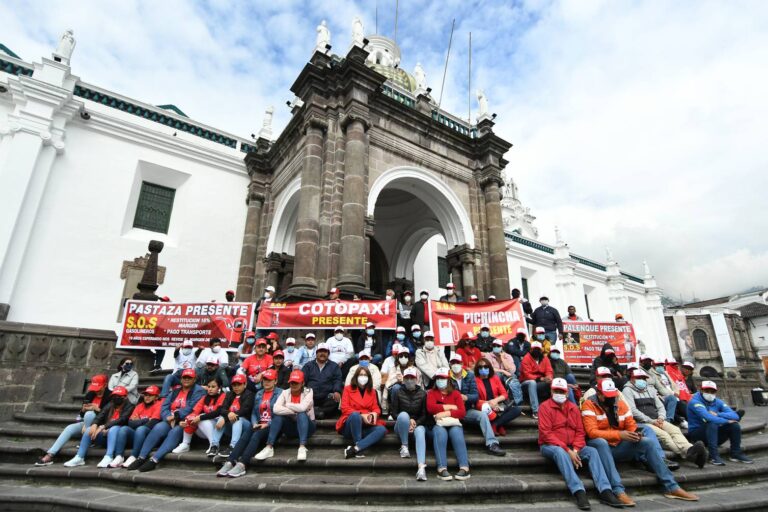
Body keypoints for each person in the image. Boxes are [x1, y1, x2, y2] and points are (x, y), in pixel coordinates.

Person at [582, 379, 698, 501]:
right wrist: (619, 435)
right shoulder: (589, 404)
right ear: (599, 394)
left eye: (613, 395)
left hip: (618, 445)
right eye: (608, 396)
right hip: (599, 446)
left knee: (647, 442)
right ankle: (618, 490)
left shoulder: (620, 403)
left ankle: (672, 487)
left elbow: (631, 424)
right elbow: (592, 432)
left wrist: (635, 434)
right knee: (601, 442)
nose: (611, 398)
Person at [539, 378, 626, 510]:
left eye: (561, 391)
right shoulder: (544, 407)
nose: (559, 393)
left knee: (592, 451)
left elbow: (580, 432)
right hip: (550, 445)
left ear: (567, 393)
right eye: (556, 390)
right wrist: (568, 451)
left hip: (573, 446)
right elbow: (546, 434)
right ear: (551, 391)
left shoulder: (573, 408)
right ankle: (578, 490)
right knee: (560, 452)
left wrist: (575, 449)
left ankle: (605, 490)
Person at [622, 369, 707, 468]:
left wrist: (661, 417)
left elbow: (660, 406)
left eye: (643, 378)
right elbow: (633, 410)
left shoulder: (650, 389)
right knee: (664, 435)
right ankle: (690, 454)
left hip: (657, 420)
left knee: (675, 430)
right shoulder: (627, 390)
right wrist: (651, 421)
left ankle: (690, 449)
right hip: (643, 422)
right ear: (632, 379)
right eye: (639, 378)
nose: (642, 380)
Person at [127, 368, 205, 472]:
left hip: (186, 421)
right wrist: (167, 416)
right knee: (158, 427)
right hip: (171, 419)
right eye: (184, 377)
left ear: (194, 379)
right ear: (181, 379)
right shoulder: (175, 390)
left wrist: (175, 416)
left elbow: (191, 407)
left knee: (175, 431)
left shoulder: (199, 390)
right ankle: (141, 457)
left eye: (189, 378)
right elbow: (164, 406)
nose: (186, 379)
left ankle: (154, 460)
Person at [215, 370, 283, 477]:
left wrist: (267, 423)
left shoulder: (281, 393)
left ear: (275, 381)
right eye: (265, 379)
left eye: (270, 380)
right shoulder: (259, 393)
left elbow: (280, 414)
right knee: (247, 434)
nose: (267, 382)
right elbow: (254, 413)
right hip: (259, 423)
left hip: (273, 425)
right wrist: (255, 423)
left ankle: (242, 464)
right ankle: (230, 461)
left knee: (256, 435)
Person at [35, 374, 110, 466]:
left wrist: (97, 409)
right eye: (94, 388)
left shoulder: (110, 396)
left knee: (90, 414)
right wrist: (83, 410)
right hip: (86, 423)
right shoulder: (90, 394)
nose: (96, 391)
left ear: (105, 385)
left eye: (99, 388)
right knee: (69, 428)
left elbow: (108, 416)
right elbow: (82, 414)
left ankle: (88, 441)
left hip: (100, 426)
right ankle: (49, 455)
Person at [247, 369, 316, 466]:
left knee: (301, 414)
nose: (293, 385)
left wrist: (287, 405)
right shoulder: (285, 392)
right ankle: (269, 447)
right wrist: (294, 410)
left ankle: (302, 446)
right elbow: (275, 409)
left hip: (308, 426)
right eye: (292, 382)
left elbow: (303, 408)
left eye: (296, 382)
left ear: (303, 383)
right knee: (278, 416)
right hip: (291, 426)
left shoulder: (308, 391)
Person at [448, 353, 505, 456]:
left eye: (458, 362)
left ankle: (492, 444)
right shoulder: (446, 377)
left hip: (467, 410)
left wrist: (466, 397)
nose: (455, 364)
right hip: (452, 411)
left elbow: (475, 396)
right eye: (453, 363)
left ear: (462, 363)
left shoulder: (469, 375)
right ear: (450, 364)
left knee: (482, 415)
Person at [63, 386, 134, 467]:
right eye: (114, 396)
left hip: (119, 437)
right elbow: (101, 414)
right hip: (106, 436)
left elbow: (122, 420)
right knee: (89, 429)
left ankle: (109, 456)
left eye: (118, 396)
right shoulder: (110, 404)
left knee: (114, 428)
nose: (115, 398)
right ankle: (79, 457)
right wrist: (94, 424)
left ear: (125, 397)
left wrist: (103, 426)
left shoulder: (130, 406)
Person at [687, 380, 753, 466]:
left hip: (714, 434)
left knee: (734, 425)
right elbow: (707, 417)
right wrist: (725, 420)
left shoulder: (718, 401)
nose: (710, 393)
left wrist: (718, 414)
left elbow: (735, 416)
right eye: (707, 391)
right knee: (712, 423)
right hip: (697, 435)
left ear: (716, 392)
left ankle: (736, 453)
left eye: (712, 391)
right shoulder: (695, 402)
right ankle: (713, 456)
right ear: (701, 390)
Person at [426, 367, 470, 480]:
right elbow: (430, 408)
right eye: (438, 378)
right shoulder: (431, 393)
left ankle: (464, 467)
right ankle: (442, 468)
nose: (440, 380)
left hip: (453, 422)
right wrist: (451, 407)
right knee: (440, 433)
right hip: (437, 424)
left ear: (448, 379)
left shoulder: (455, 393)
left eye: (443, 378)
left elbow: (462, 412)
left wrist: (444, 413)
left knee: (457, 433)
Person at [336, 366, 387, 459]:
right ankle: (359, 447)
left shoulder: (372, 391)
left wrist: (375, 413)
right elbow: (344, 408)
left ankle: (356, 449)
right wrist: (361, 415)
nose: (363, 377)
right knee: (355, 415)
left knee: (381, 430)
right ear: (356, 376)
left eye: (365, 375)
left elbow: (376, 407)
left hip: (366, 424)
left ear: (369, 377)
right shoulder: (347, 389)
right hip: (350, 425)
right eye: (361, 375)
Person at [173, 377, 227, 455]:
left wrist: (200, 417)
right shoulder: (204, 397)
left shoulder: (223, 396)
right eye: (208, 387)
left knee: (201, 419)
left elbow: (218, 412)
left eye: (213, 387)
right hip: (205, 429)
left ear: (219, 387)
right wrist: (186, 420)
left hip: (220, 427)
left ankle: (214, 445)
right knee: (191, 418)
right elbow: (195, 411)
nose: (210, 389)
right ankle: (185, 444)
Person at [391, 367, 429, 480]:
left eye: (411, 377)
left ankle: (421, 467)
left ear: (416, 379)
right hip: (401, 426)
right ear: (403, 379)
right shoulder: (398, 392)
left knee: (421, 431)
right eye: (406, 378)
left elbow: (424, 415)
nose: (409, 380)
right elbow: (394, 413)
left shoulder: (422, 394)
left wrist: (415, 423)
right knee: (403, 415)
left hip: (416, 425)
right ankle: (404, 446)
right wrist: (408, 421)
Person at [113, 385, 163, 468]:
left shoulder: (159, 405)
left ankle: (134, 456)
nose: (147, 397)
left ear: (156, 397)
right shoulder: (140, 406)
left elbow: (152, 423)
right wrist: (146, 419)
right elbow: (130, 423)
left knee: (141, 429)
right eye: (146, 395)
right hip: (138, 435)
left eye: (150, 395)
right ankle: (119, 456)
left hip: (150, 437)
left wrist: (138, 421)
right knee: (124, 429)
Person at [474, 358, 522, 436]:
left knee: (518, 409)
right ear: (477, 369)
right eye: (480, 367)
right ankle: (499, 425)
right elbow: (475, 399)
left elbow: (504, 394)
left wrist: (495, 401)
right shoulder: (475, 380)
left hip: (498, 405)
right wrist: (489, 403)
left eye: (486, 367)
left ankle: (495, 424)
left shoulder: (495, 378)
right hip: (484, 406)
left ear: (489, 368)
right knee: (485, 407)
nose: (483, 369)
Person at [302, 342, 343, 419]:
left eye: (325, 351)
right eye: (320, 351)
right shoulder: (308, 366)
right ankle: (320, 413)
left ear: (328, 353)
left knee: (335, 400)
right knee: (302, 399)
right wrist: (304, 392)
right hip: (311, 396)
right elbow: (302, 380)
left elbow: (337, 380)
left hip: (326, 397)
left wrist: (337, 391)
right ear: (316, 353)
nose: (322, 354)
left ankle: (316, 412)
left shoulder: (334, 366)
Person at [640, 355, 680, 425]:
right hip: (646, 397)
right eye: (646, 361)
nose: (648, 363)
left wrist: (672, 394)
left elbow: (660, 387)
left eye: (649, 361)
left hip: (657, 396)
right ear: (641, 362)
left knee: (672, 398)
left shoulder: (652, 374)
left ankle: (668, 420)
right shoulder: (638, 372)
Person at [520, 341, 553, 420]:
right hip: (525, 383)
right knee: (532, 382)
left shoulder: (545, 358)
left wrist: (549, 377)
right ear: (531, 350)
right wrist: (540, 378)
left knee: (554, 382)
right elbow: (527, 375)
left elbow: (549, 370)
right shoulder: (526, 358)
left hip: (540, 383)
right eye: (534, 349)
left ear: (541, 350)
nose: (536, 351)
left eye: (538, 349)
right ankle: (535, 411)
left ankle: (556, 408)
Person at [385, 346, 421, 414]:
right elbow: (388, 385)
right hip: (397, 392)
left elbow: (418, 385)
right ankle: (394, 411)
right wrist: (396, 380)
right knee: (396, 387)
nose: (403, 358)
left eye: (406, 356)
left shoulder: (415, 370)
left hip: (411, 392)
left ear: (409, 358)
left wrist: (404, 381)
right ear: (398, 358)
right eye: (401, 356)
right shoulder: (393, 369)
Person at [488, 338, 523, 405]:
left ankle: (517, 402)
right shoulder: (488, 355)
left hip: (507, 377)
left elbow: (512, 370)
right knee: (497, 375)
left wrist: (502, 359)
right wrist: (503, 371)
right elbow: (490, 368)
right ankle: (502, 399)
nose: (496, 347)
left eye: (498, 346)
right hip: (494, 376)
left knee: (512, 378)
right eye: (494, 345)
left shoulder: (508, 356)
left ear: (502, 347)